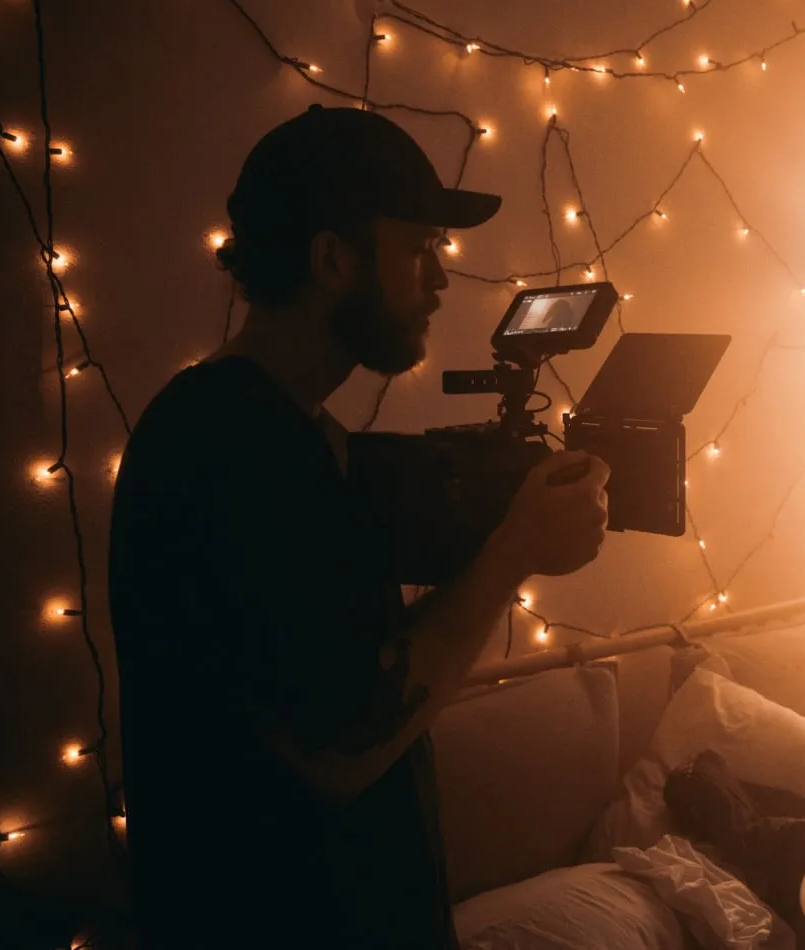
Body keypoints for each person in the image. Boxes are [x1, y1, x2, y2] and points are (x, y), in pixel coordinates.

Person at [107, 106, 610, 948]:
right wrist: (514, 552)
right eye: (418, 249)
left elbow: (343, 654)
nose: (439, 279)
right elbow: (341, 746)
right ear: (333, 260)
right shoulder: (237, 447)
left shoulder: (275, 428)